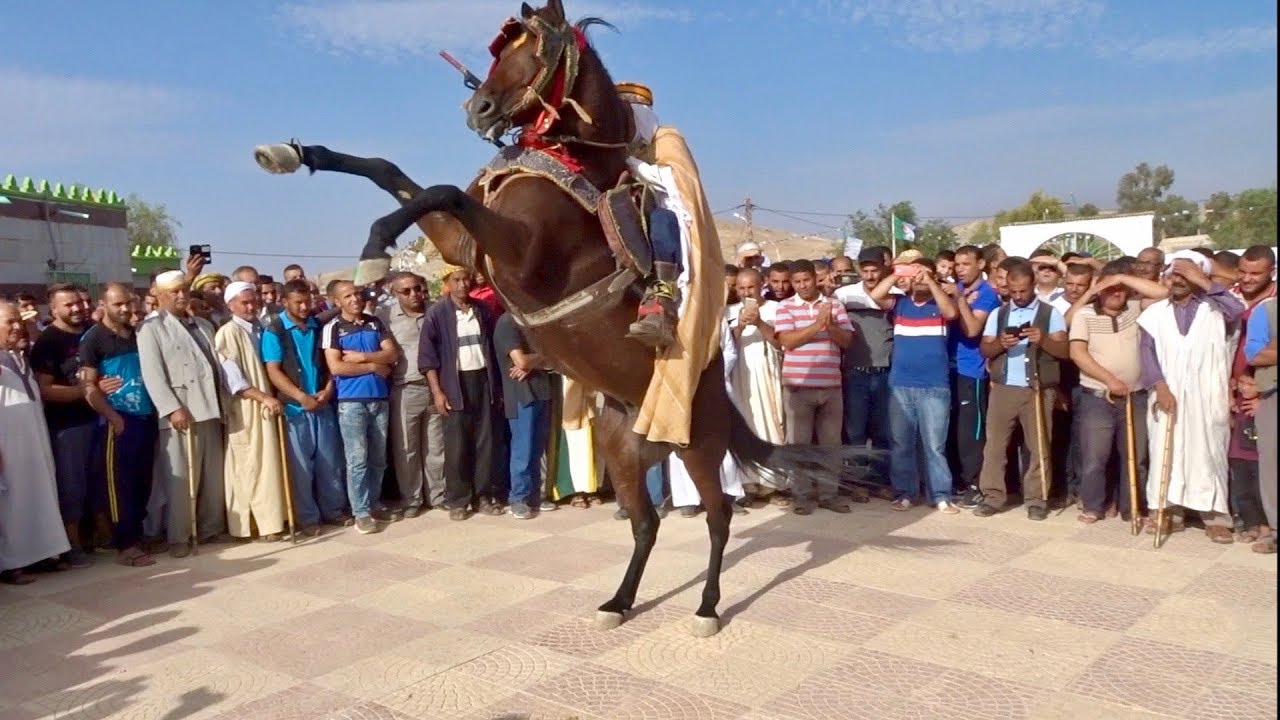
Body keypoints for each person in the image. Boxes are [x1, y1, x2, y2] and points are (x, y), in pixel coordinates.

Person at [1138, 251, 1245, 542]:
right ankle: (1169, 510)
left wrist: (1201, 279)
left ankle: (1214, 516)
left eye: (1186, 275)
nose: (1178, 280)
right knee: (1166, 449)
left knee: (1208, 450)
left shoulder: (1216, 308)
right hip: (1166, 393)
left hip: (1206, 393)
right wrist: (1159, 386)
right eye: (1174, 274)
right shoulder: (1154, 314)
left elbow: (1238, 311)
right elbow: (1146, 352)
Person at [137, 270, 228, 557]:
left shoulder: (203, 324)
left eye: (183, 290)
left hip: (209, 408)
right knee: (180, 481)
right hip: (181, 411)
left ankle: (210, 528)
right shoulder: (151, 328)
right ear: (161, 296)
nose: (180, 296)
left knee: (213, 477)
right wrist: (172, 407)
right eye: (173, 292)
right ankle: (179, 535)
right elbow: (153, 376)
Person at [1067, 265, 1167, 524]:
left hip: (1137, 396)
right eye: (1109, 287)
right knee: (1095, 457)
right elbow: (1078, 353)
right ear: (1099, 288)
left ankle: (1132, 507)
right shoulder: (1084, 315)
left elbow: (1165, 293)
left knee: (1137, 457)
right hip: (1097, 396)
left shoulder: (1136, 308)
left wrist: (1122, 277)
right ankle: (1093, 506)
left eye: (1120, 288)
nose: (1116, 292)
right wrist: (1110, 380)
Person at [974, 260, 1071, 520]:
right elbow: (985, 349)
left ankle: (1037, 499)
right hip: (1004, 387)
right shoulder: (999, 313)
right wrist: (1001, 345)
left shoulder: (1051, 314)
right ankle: (992, 495)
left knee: (1038, 445)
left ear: (1034, 286)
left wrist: (1044, 339)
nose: (1018, 296)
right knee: (995, 446)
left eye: (1023, 291)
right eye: (1013, 291)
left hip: (1037, 388)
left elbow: (1065, 351)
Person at [868, 257, 958, 513]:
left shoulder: (940, 305)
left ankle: (941, 495)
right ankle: (905, 492)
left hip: (935, 385)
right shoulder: (899, 304)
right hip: (901, 385)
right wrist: (898, 274)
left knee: (935, 445)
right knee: (901, 443)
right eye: (916, 274)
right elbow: (876, 294)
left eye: (924, 273)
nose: (918, 278)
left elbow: (951, 313)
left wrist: (930, 279)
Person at [79, 284, 160, 567]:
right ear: (104, 305)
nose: (125, 309)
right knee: (120, 486)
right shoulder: (93, 339)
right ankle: (125, 544)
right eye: (117, 305)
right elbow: (88, 385)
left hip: (146, 417)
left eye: (127, 303)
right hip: (119, 421)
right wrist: (112, 416)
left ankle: (138, 536)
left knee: (143, 481)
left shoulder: (140, 334)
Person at [419, 266, 505, 521]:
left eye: (465, 279)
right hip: (454, 385)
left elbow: (492, 349)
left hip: (482, 381)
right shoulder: (437, 314)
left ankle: (484, 496)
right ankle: (458, 499)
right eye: (456, 280)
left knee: (485, 443)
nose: (462, 284)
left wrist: (496, 386)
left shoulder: (482, 310)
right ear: (447, 283)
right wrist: (438, 392)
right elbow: (427, 359)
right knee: (457, 446)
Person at [262, 280, 348, 530]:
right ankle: (307, 518)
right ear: (284, 302)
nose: (303, 307)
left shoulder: (318, 326)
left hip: (322, 403)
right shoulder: (274, 331)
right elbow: (274, 371)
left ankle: (333, 510)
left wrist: (328, 389)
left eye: (307, 301)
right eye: (297, 302)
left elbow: (331, 361)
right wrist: (300, 397)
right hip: (295, 409)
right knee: (301, 469)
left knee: (330, 462)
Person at [0, 301, 73, 584]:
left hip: (35, 441)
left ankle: (43, 555)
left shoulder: (19, 356)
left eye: (20, 321)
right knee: (12, 503)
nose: (18, 327)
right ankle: (11, 564)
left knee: (39, 494)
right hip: (9, 447)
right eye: (10, 322)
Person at [774, 259, 854, 515]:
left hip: (830, 386)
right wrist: (817, 324)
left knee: (831, 445)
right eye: (796, 282)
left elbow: (847, 341)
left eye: (805, 280)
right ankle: (802, 496)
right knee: (799, 445)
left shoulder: (835, 306)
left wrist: (829, 324)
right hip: (798, 387)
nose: (801, 286)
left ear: (814, 278)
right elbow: (787, 341)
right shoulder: (785, 308)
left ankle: (829, 494)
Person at [29, 284, 101, 567]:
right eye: (68, 305)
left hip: (98, 418)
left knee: (96, 483)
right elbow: (45, 389)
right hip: (67, 425)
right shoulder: (49, 341)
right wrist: (88, 391)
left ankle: (99, 536)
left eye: (79, 303)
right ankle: (70, 544)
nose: (77, 309)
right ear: (54, 309)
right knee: (72, 485)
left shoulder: (91, 333)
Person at [322, 281, 399, 534]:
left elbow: (392, 354)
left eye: (357, 293)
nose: (355, 299)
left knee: (378, 458)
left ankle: (374, 503)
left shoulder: (375, 322)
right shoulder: (333, 328)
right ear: (336, 301)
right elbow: (337, 367)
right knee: (357, 459)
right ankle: (361, 511)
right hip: (351, 402)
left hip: (379, 399)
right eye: (348, 296)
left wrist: (363, 357)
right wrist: (373, 367)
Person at [215, 282, 289, 541]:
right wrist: (263, 397)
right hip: (247, 410)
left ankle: (274, 519)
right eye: (244, 303)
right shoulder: (228, 332)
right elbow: (232, 379)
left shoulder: (261, 329)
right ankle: (256, 525)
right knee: (251, 465)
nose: (250, 306)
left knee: (268, 464)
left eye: (253, 301)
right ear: (230, 305)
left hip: (267, 406)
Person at [376, 272, 446, 517]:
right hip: (405, 388)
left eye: (417, 288)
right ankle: (411, 500)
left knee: (436, 446)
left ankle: (438, 496)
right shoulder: (384, 317)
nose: (414, 294)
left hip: (436, 388)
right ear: (394, 293)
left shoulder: (436, 310)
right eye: (405, 291)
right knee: (407, 448)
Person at [493, 310, 556, 518]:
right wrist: (541, 358)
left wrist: (536, 360)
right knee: (523, 449)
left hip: (542, 391)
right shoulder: (507, 323)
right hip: (521, 395)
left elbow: (555, 356)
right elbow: (521, 361)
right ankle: (517, 498)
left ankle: (534, 496)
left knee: (538, 449)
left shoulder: (533, 319)